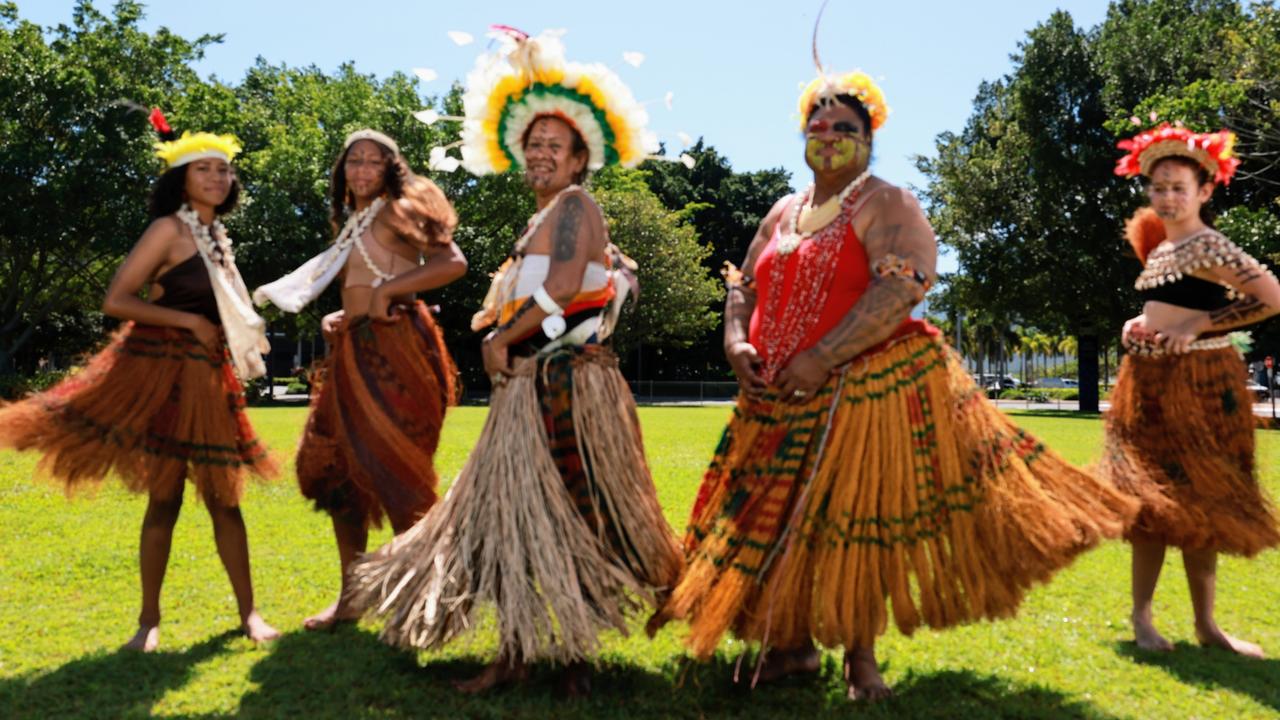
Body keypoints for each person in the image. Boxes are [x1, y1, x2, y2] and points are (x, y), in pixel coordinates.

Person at [648, 68, 1139, 701]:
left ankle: (861, 660)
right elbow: (743, 284)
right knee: (778, 526)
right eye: (817, 126)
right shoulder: (783, 210)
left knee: (855, 522)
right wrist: (736, 340)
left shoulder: (886, 202)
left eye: (845, 128)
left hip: (858, 392)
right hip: (771, 397)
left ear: (870, 136)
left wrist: (823, 355)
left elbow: (902, 285)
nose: (829, 137)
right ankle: (793, 647)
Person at [347, 27, 681, 697]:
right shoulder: (537, 221)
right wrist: (505, 340)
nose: (541, 154)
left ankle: (575, 659)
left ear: (580, 157)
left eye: (555, 146)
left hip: (568, 387)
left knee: (579, 516)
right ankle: (518, 653)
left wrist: (502, 339)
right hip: (532, 388)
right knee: (511, 519)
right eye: (533, 144)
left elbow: (561, 289)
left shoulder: (577, 206)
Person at [0, 111, 280, 651]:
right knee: (166, 498)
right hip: (162, 374)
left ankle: (250, 615)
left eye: (223, 171)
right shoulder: (168, 230)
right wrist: (188, 320)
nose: (217, 179)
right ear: (181, 179)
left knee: (226, 499)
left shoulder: (218, 234)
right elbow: (117, 299)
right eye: (204, 171)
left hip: (209, 375)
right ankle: (148, 622)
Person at [253, 128, 465, 631]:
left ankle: (426, 602)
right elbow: (361, 285)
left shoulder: (398, 209)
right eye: (354, 161)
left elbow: (452, 262)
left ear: (390, 168)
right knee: (339, 473)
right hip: (355, 347)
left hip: (395, 349)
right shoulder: (356, 221)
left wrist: (390, 290)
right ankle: (353, 597)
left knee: (397, 473)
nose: (363, 169)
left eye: (374, 161)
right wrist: (340, 317)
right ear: (343, 171)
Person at [1103, 122, 1280, 657]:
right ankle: (1142, 618)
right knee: (1151, 506)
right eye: (1158, 187)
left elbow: (1271, 295)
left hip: (1201, 387)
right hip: (1151, 384)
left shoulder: (1209, 245)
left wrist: (1196, 327)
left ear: (1204, 191)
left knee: (1200, 506)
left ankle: (1207, 626)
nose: (1167, 196)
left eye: (1178, 187)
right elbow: (1165, 306)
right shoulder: (1161, 249)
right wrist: (1137, 322)